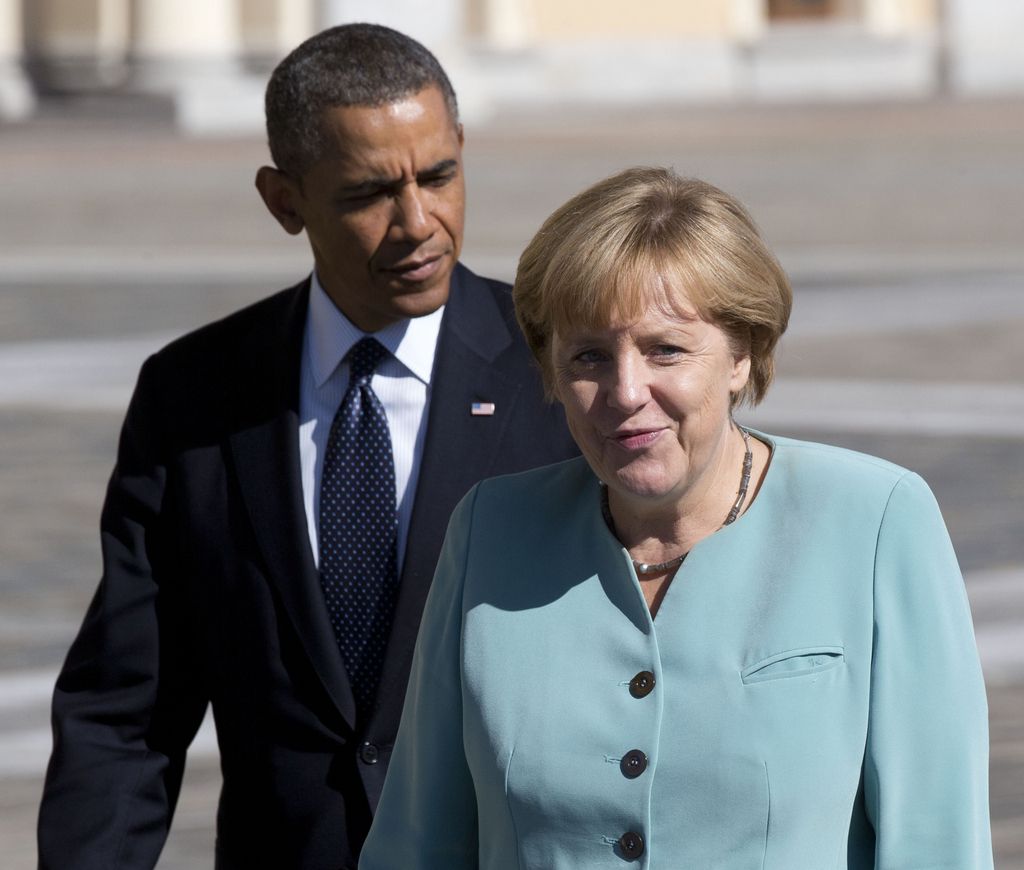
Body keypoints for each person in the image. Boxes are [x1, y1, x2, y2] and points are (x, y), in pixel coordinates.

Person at [37, 23, 576, 870]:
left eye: (439, 176)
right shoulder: (194, 398)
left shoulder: (564, 373)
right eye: (368, 194)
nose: (418, 223)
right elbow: (127, 711)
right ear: (284, 201)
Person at [359, 167, 994, 868]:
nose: (626, 392)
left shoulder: (875, 522)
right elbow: (416, 845)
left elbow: (937, 844)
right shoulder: (490, 530)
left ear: (741, 355)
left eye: (666, 349)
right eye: (590, 357)